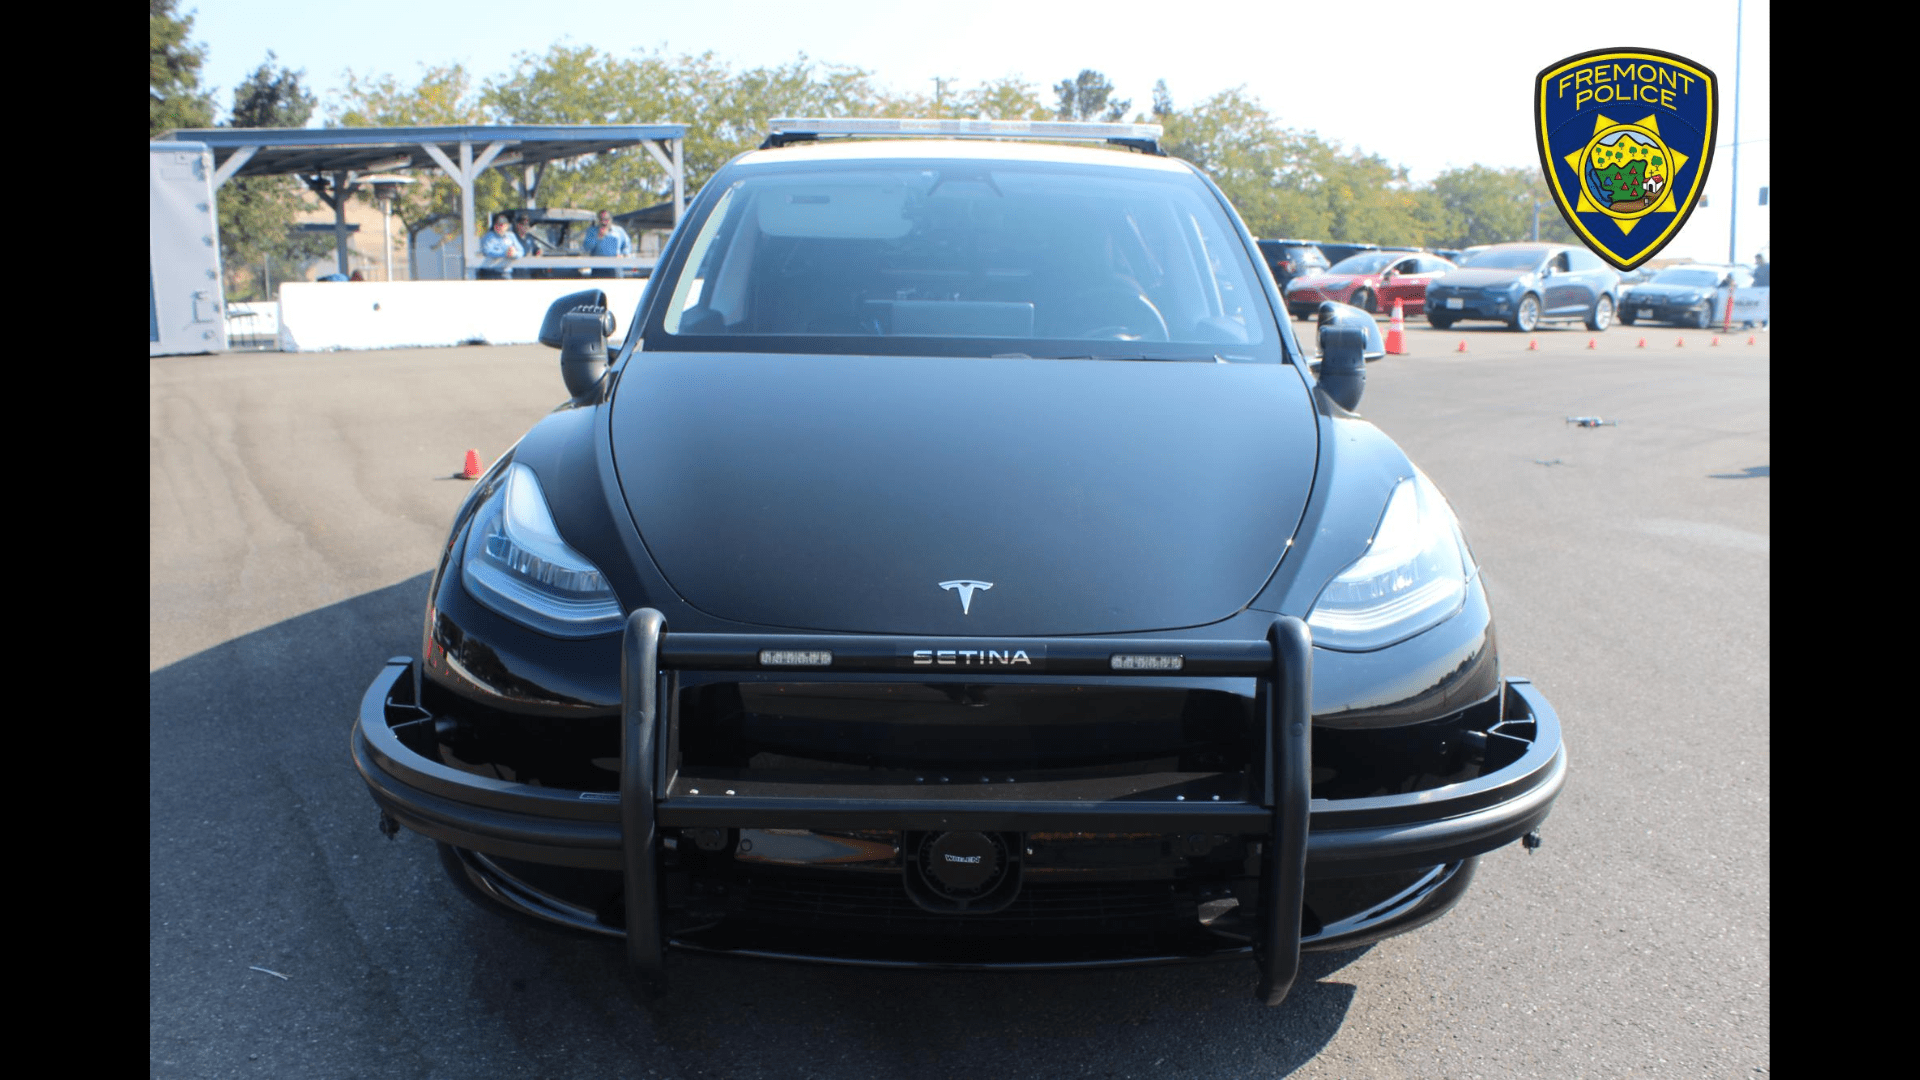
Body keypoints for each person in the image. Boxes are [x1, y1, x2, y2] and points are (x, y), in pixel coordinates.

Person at [582, 209, 632, 278]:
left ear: (611, 219)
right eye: (601, 219)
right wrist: (598, 237)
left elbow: (627, 245)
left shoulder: (619, 231)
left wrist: (623, 255)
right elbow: (586, 248)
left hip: (615, 267)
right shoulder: (592, 231)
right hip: (598, 267)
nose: (603, 222)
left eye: (606, 219)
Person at [477, 211, 524, 280]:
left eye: (501, 225)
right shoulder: (489, 236)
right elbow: (486, 251)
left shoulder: (511, 236)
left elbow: (521, 251)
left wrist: (514, 254)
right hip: (490, 273)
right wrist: (504, 253)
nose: (498, 226)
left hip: (506, 273)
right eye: (497, 224)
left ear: (507, 226)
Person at [512, 214, 546, 279]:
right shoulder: (512, 238)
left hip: (528, 273)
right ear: (518, 225)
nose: (526, 226)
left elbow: (537, 250)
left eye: (527, 224)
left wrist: (539, 252)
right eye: (523, 224)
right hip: (516, 273)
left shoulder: (529, 238)